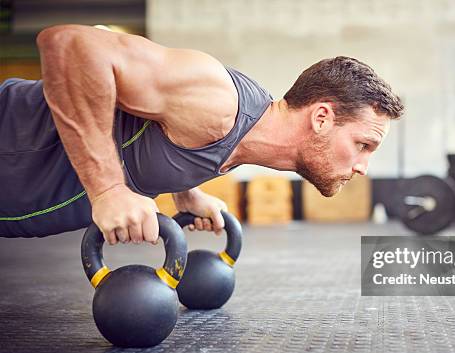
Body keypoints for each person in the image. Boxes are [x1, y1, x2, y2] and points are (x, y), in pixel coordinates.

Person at [0, 24, 404, 243]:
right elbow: (68, 44)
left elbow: (159, 135)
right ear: (321, 118)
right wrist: (107, 190)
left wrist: (185, 190)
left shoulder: (245, 140)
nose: (364, 166)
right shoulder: (217, 101)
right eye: (363, 144)